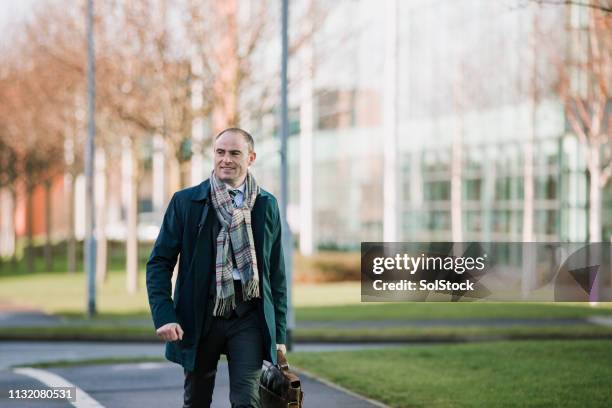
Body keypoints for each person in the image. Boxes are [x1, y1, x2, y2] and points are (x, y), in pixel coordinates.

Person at [146, 127, 287, 408]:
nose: (226, 159)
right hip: (199, 317)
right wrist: (164, 315)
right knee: (196, 401)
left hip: (248, 317)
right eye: (220, 152)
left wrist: (279, 335)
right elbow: (159, 263)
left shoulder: (266, 204)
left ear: (251, 158)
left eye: (235, 153)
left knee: (247, 402)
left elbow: (275, 274)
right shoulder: (186, 202)